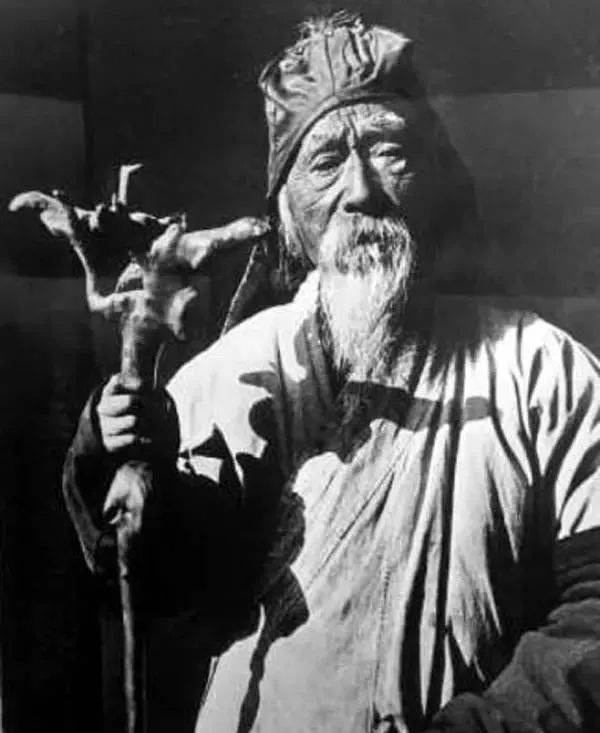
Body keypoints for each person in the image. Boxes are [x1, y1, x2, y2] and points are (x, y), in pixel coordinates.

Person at [64, 12, 600, 733]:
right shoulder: (230, 376)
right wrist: (119, 456)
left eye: (389, 151)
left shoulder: (543, 373)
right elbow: (157, 588)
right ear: (287, 212)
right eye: (325, 162)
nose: (361, 190)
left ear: (435, 177)